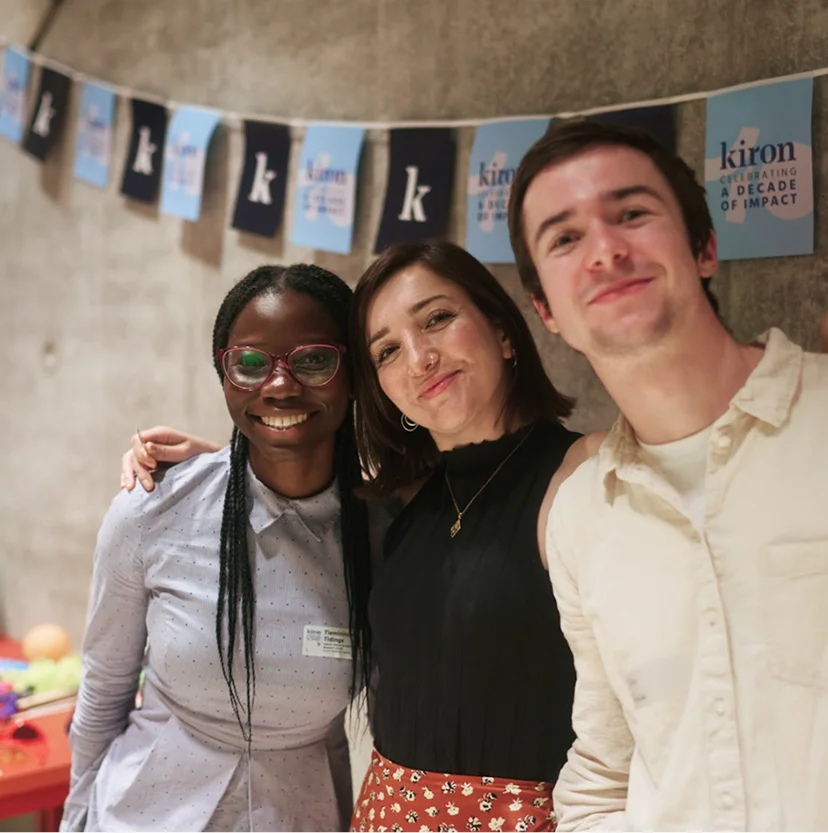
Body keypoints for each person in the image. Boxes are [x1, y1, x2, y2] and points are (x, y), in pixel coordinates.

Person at [123, 240, 597, 832]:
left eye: (438, 319)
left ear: (503, 331)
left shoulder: (585, 474)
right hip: (381, 815)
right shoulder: (401, 503)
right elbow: (301, 499)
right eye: (388, 350)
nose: (421, 358)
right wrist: (223, 472)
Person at [507, 119, 828, 830]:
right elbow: (601, 772)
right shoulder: (582, 515)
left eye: (631, 213)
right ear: (546, 311)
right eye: (564, 238)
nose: (605, 250)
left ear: (705, 247)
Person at [63, 264, 375, 832]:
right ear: (225, 377)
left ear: (352, 370)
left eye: (313, 360)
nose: (280, 385)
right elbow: (104, 692)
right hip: (142, 814)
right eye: (251, 364)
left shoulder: (378, 536)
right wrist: (75, 819)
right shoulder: (151, 511)